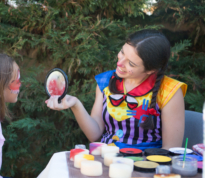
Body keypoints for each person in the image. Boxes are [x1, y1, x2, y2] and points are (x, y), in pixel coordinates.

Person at [45, 29, 187, 150]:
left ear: (151, 70)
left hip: (144, 168)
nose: (120, 63)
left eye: (131, 63)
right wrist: (75, 104)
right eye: (122, 52)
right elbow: (94, 135)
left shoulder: (170, 91)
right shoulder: (105, 81)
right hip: (105, 160)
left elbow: (170, 151)